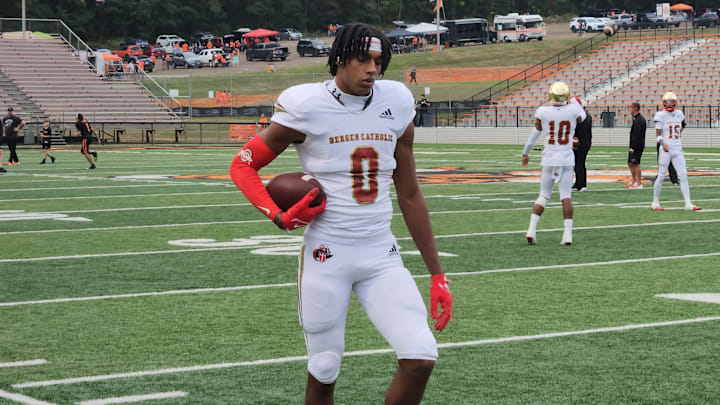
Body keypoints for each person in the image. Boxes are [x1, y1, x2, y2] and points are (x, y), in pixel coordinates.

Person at [229, 23, 452, 405]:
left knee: (420, 356)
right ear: (339, 59)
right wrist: (276, 214)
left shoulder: (396, 101)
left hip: (381, 253)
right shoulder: (307, 105)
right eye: (363, 59)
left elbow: (410, 193)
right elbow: (242, 166)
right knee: (324, 370)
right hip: (327, 254)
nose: (372, 69)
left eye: (379, 61)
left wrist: (436, 273)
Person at [522, 82, 586, 246]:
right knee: (566, 196)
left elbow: (535, 133)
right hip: (565, 158)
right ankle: (567, 235)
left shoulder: (542, 111)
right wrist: (573, 101)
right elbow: (582, 116)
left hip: (549, 158)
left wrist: (526, 153)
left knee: (543, 195)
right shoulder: (572, 110)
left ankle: (531, 230)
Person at [652, 92, 701, 211]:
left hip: (677, 149)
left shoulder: (679, 114)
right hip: (666, 149)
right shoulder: (660, 115)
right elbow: (658, 136)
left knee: (683, 175)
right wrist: (663, 144)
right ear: (664, 103)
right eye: (667, 102)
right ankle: (655, 202)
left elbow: (682, 125)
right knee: (661, 175)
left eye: (671, 102)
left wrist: (677, 135)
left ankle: (688, 203)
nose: (669, 104)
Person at [571, 97, 592, 192]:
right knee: (579, 163)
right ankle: (580, 183)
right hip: (586, 141)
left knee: (579, 163)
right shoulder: (587, 115)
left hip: (580, 142)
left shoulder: (578, 116)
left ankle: (581, 184)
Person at [625, 102, 646, 188]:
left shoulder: (639, 120)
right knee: (630, 163)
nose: (630, 110)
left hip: (637, 146)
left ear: (635, 109)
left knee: (636, 163)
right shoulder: (636, 119)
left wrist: (633, 147)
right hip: (634, 145)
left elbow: (637, 135)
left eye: (631, 108)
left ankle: (639, 183)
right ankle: (633, 180)